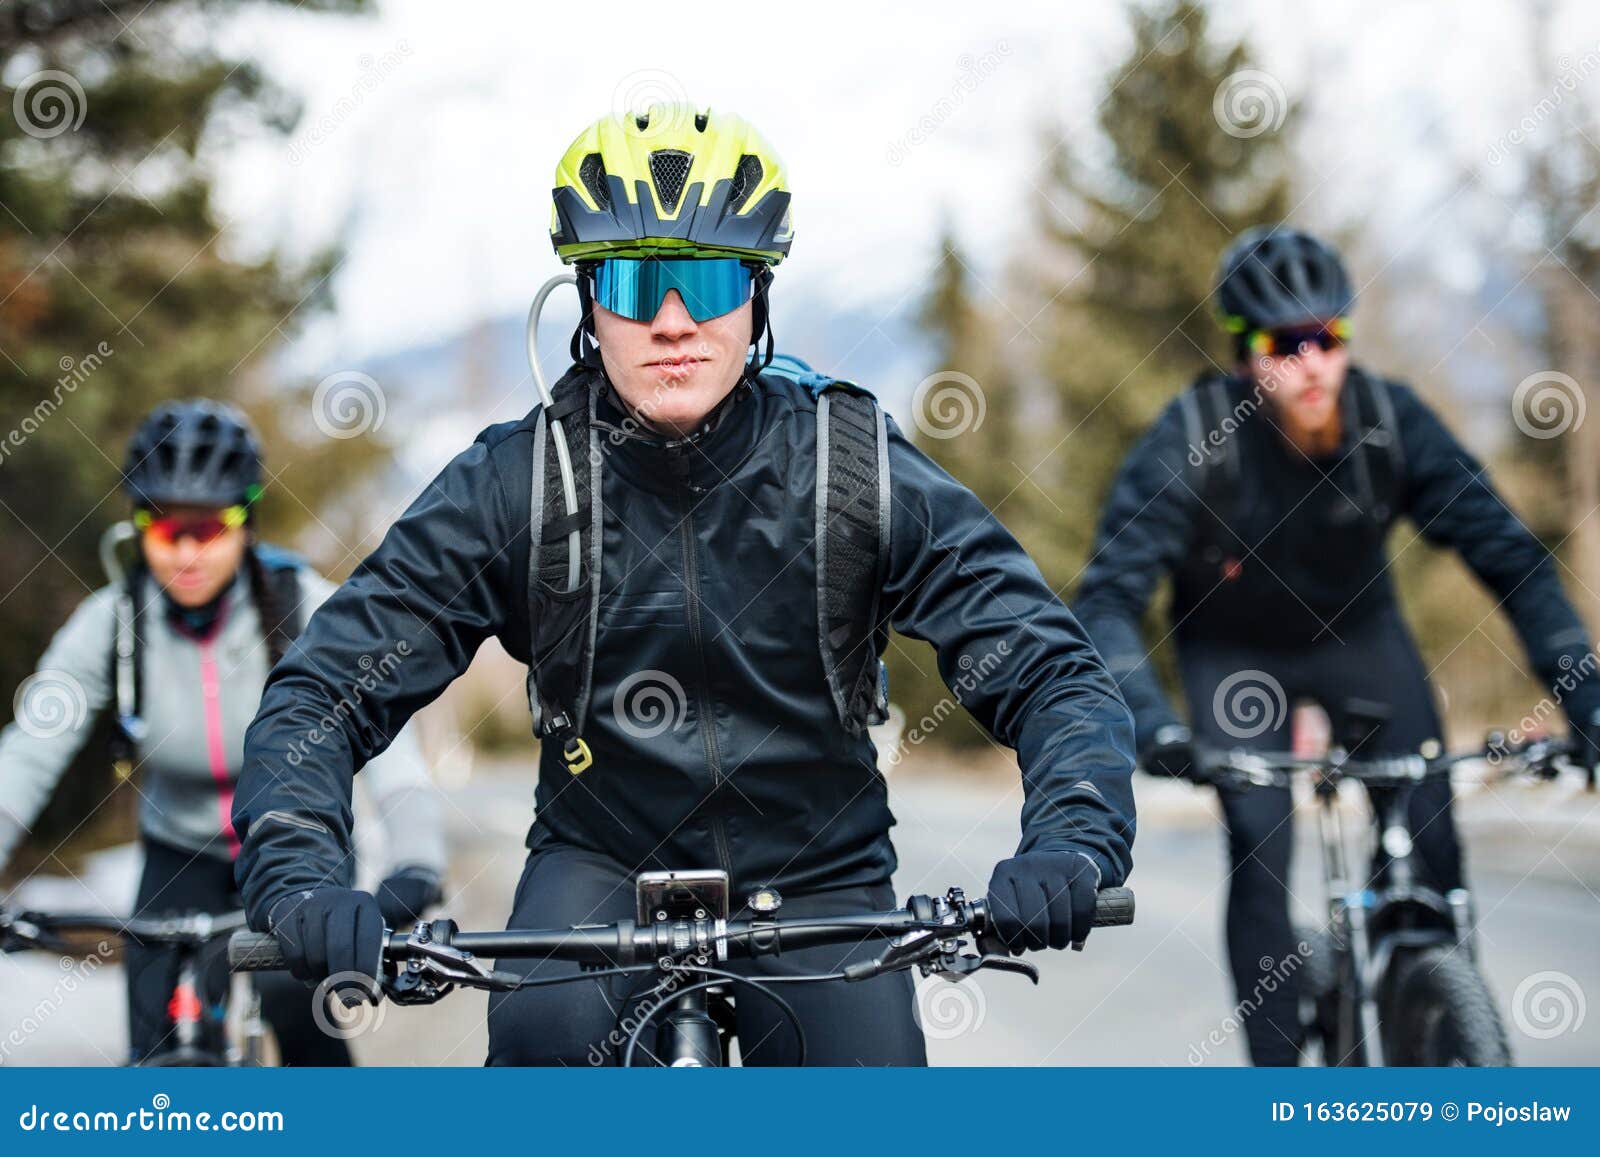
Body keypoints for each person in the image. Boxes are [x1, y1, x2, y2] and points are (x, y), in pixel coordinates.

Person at [230, 102, 1137, 1066]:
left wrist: (1071, 840)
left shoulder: (850, 466)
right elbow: (323, 691)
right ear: (588, 300)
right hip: (599, 865)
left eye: (704, 282)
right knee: (541, 1051)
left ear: (755, 294)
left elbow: (1048, 668)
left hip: (819, 868)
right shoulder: (519, 482)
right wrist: (303, 875)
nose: (672, 322)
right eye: (634, 280)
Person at [1073, 226, 1600, 1066]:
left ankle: (1444, 1023)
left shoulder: (1390, 422)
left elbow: (1510, 557)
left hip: (1361, 639)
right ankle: (1282, 1096)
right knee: (1261, 846)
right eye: (1287, 343)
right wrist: (1154, 725)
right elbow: (1108, 598)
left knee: (1430, 839)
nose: (1314, 361)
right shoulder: (1194, 436)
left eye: (1330, 336)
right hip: (1237, 657)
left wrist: (1584, 692)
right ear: (1246, 353)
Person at [0, 400, 446, 1065]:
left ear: (247, 520)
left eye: (208, 527)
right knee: (149, 1043)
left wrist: (418, 861)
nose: (185, 552)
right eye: (163, 527)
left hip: (295, 845)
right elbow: (29, 751)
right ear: (138, 526)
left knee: (297, 1002)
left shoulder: (307, 607)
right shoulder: (114, 623)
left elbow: (397, 754)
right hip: (176, 853)